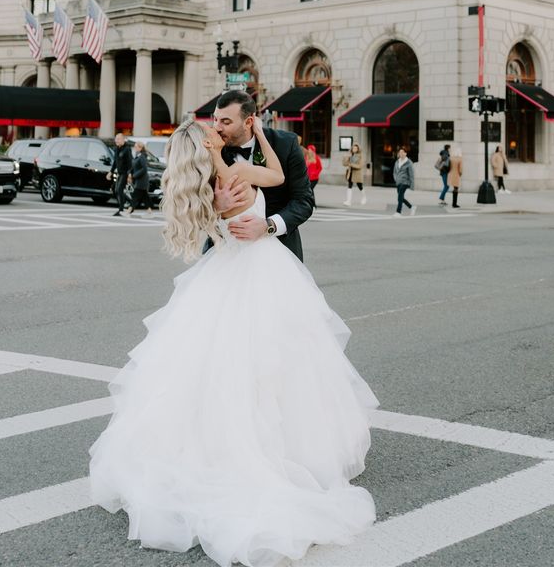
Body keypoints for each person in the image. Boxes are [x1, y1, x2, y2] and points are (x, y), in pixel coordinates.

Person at [89, 116, 378, 566]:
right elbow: (279, 179)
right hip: (262, 274)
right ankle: (276, 448)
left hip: (223, 276)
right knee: (275, 363)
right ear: (206, 142)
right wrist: (257, 136)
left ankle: (210, 446)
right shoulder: (233, 176)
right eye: (211, 128)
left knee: (213, 367)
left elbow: (229, 220)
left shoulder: (204, 190)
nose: (217, 128)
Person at [210, 90, 314, 262]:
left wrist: (268, 226)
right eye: (215, 119)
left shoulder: (285, 144)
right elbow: (192, 204)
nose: (217, 127)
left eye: (225, 122)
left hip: (279, 253)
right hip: (224, 253)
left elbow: (304, 201)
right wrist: (216, 206)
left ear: (249, 121)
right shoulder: (210, 149)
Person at [107, 132, 132, 216]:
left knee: (119, 190)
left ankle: (121, 209)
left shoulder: (127, 149)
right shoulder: (117, 148)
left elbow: (130, 163)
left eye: (118, 139)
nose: (116, 141)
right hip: (119, 173)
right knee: (116, 190)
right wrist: (111, 172)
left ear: (123, 139)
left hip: (125, 173)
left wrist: (129, 174)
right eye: (115, 139)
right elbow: (115, 162)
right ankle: (129, 204)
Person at [126, 141, 151, 215]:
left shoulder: (142, 156)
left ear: (140, 148)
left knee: (135, 195)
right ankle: (149, 209)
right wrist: (130, 173)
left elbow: (144, 169)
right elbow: (133, 166)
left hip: (142, 180)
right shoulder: (138, 155)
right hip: (139, 179)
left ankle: (130, 208)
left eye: (136, 147)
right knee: (144, 196)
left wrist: (134, 175)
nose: (134, 148)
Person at [393, 146, 415, 217]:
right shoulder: (397, 161)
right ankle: (411, 207)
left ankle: (398, 212)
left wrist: (412, 185)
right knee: (400, 197)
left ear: (406, 153)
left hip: (405, 182)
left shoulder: (409, 162)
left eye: (403, 152)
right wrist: (396, 179)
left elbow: (411, 174)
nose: (401, 153)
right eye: (400, 152)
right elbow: (395, 172)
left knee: (400, 197)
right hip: (398, 182)